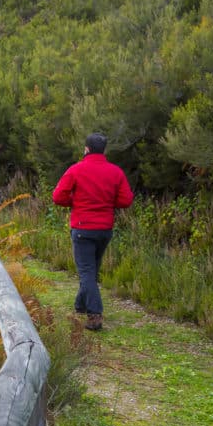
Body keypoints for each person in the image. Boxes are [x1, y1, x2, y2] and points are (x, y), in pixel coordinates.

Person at [52, 132, 134, 331]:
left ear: (86, 149)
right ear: (104, 150)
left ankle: (95, 315)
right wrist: (106, 203)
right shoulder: (115, 172)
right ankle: (80, 305)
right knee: (91, 270)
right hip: (104, 229)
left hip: (82, 228)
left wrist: (75, 202)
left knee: (87, 272)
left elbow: (58, 196)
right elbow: (126, 200)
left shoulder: (76, 170)